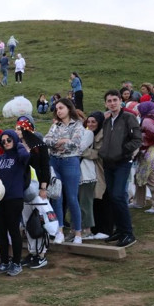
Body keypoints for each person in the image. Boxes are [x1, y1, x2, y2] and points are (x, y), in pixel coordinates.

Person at [99, 90, 142, 247]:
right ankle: (120, 230)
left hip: (122, 162)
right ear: (106, 103)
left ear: (120, 101)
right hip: (108, 163)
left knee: (118, 195)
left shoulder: (128, 118)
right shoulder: (107, 120)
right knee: (112, 196)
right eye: (109, 101)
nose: (112, 103)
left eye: (115, 100)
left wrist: (124, 150)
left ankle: (128, 233)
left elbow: (138, 139)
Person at [44, 98, 86, 244]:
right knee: (57, 196)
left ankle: (78, 233)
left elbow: (75, 144)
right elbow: (46, 141)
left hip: (70, 162)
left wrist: (61, 143)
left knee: (72, 197)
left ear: (69, 108)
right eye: (57, 109)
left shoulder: (78, 125)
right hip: (54, 162)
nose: (58, 111)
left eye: (61, 108)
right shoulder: (56, 126)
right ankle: (59, 230)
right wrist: (60, 142)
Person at [0, 131, 30, 276]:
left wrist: (19, 145)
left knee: (14, 230)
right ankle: (4, 261)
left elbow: (26, 157)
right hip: (0, 198)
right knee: (1, 231)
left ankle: (16, 262)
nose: (6, 142)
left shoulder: (19, 155)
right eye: (3, 141)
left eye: (9, 139)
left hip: (14, 198)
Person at [16, 118, 51, 267]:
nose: (16, 131)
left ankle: (42, 253)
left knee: (39, 220)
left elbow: (45, 166)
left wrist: (44, 187)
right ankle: (32, 252)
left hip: (37, 187)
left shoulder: (39, 145)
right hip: (23, 187)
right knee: (27, 220)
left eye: (19, 128)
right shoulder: (17, 146)